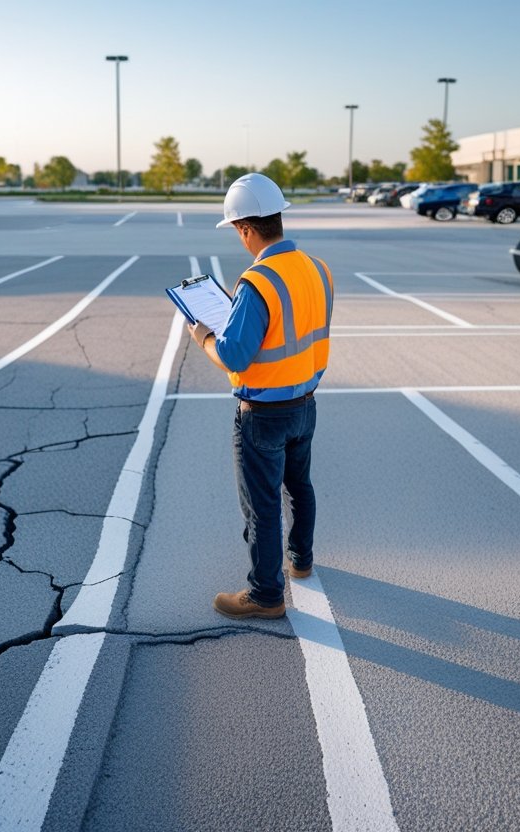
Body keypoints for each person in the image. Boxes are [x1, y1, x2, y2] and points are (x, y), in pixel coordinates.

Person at [187, 173, 334, 620]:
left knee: (261, 505)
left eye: (236, 231)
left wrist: (204, 337)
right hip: (305, 404)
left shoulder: (257, 281)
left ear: (246, 228)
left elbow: (235, 353)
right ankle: (301, 562)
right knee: (298, 488)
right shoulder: (316, 268)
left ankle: (266, 594)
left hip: (263, 414)